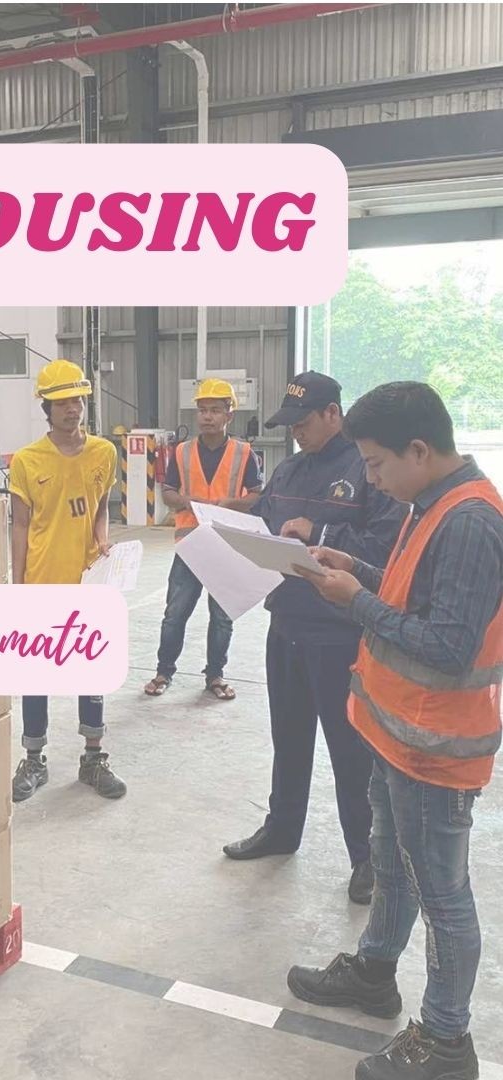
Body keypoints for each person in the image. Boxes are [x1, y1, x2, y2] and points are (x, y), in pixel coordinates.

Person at [287, 382, 502, 1080]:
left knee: (442, 894)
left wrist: (357, 602)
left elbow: (447, 646)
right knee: (392, 863)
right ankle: (375, 970)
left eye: (377, 465)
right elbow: (415, 596)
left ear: (419, 449)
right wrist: (359, 571)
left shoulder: (469, 521)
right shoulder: (430, 503)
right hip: (397, 732)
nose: (371, 479)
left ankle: (446, 1041)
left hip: (436, 749)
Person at [223, 372, 406, 906]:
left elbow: (386, 550)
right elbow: (264, 526)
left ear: (333, 414)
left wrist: (320, 533)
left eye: (303, 423)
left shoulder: (369, 470)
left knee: (351, 751)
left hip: (340, 633)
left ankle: (367, 856)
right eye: (290, 425)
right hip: (287, 624)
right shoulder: (289, 469)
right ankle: (283, 828)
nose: (296, 433)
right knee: (289, 738)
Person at [8, 359, 127, 804]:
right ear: (47, 407)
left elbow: (100, 506)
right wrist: (18, 585)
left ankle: (93, 757)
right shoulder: (27, 460)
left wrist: (102, 540)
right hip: (42, 580)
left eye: (77, 400)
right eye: (62, 403)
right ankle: (33, 758)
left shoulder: (104, 453)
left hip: (89, 580)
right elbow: (21, 525)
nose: (72, 409)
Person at [144, 378, 263, 701]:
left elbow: (256, 494)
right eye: (202, 410)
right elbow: (168, 493)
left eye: (215, 410)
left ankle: (215, 675)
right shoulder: (181, 452)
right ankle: (164, 671)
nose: (207, 416)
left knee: (222, 616)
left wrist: (231, 504)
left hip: (226, 544)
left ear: (229, 414)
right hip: (191, 545)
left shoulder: (244, 453)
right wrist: (188, 502)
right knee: (175, 613)